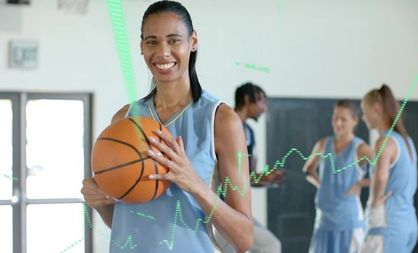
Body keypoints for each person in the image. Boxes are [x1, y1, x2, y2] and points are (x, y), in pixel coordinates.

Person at [80, 1, 253, 252]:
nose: (162, 52)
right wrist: (100, 202)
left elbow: (244, 238)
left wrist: (194, 183)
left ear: (193, 42)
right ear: (141, 47)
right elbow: (124, 222)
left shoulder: (220, 120)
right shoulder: (124, 119)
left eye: (174, 40)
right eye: (152, 41)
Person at [303, 100, 372, 253]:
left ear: (355, 120)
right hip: (324, 220)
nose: (338, 123)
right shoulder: (323, 144)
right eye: (335, 118)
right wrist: (322, 185)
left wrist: (360, 184)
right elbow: (308, 170)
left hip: (348, 221)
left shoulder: (361, 148)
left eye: (343, 119)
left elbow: (385, 173)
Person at [360, 84, 418, 253]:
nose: (364, 117)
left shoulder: (384, 142)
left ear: (376, 109)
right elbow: (398, 178)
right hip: (408, 224)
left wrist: (375, 201)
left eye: (365, 111)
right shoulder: (406, 141)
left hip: (388, 225)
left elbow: (381, 177)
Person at [230, 82, 284, 253]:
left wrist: (266, 178)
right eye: (262, 102)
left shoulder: (250, 134)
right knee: (270, 245)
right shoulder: (225, 125)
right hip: (220, 206)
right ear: (247, 100)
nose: (264, 108)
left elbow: (247, 176)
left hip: (237, 209)